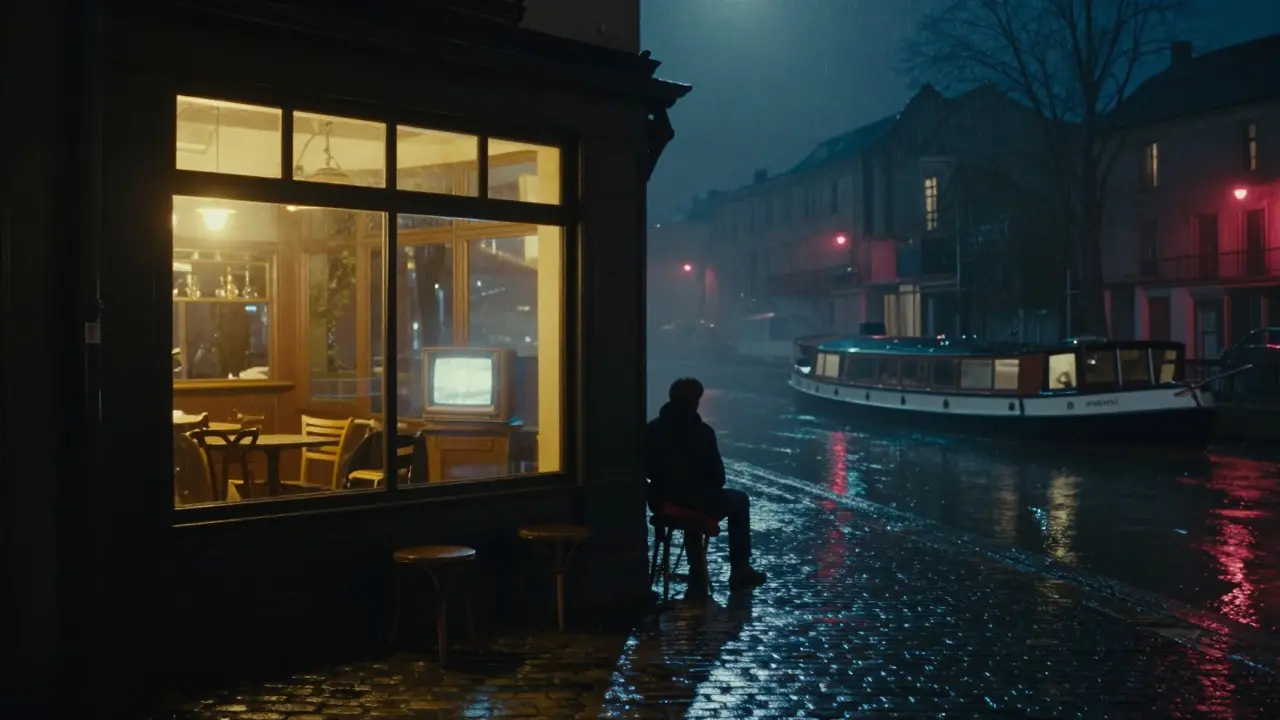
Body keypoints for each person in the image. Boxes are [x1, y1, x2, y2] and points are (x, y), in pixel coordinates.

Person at [647, 377, 767, 591]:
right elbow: (718, 479)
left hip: (662, 503)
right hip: (695, 503)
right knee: (739, 500)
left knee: (694, 506)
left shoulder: (652, 429)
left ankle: (697, 569)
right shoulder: (702, 433)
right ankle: (740, 568)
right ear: (695, 402)